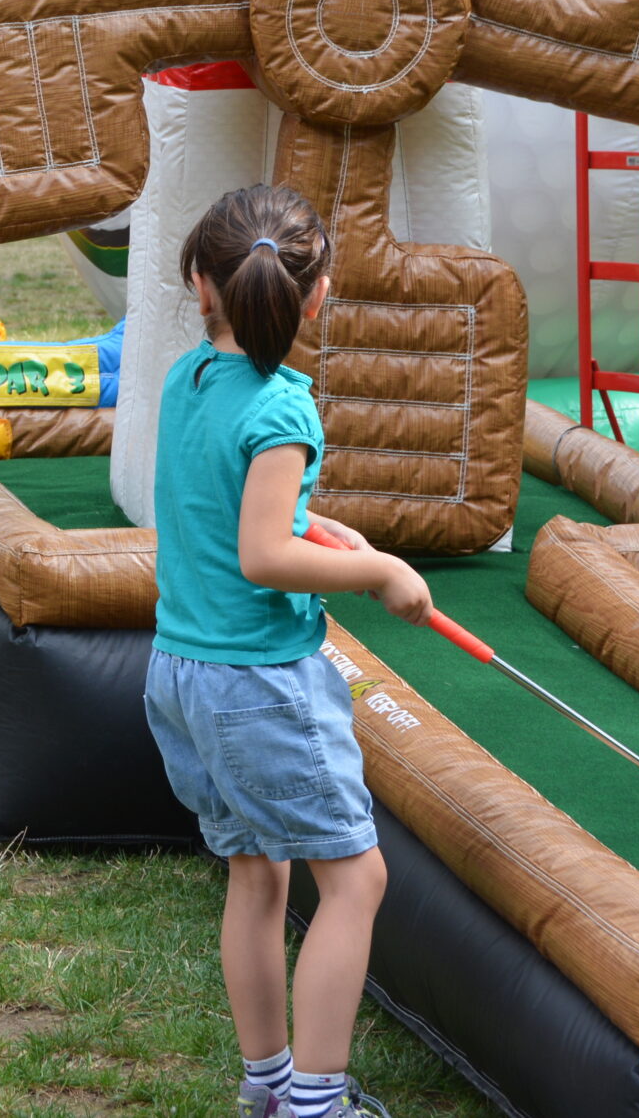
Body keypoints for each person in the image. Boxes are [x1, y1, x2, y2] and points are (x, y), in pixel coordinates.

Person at [146, 184, 431, 1118]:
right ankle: (316, 1104)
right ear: (318, 298)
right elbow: (263, 556)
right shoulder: (281, 409)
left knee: (257, 870)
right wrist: (379, 569)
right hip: (258, 683)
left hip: (181, 670)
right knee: (356, 878)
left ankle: (269, 1087)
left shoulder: (189, 380)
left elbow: (225, 504)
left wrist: (316, 523)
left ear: (200, 284)